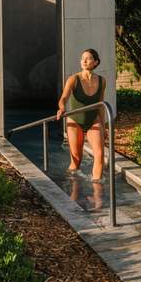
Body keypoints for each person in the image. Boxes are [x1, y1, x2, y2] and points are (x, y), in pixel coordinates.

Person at [56, 48, 106, 182]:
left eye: (88, 58)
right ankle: (72, 185)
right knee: (76, 159)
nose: (84, 61)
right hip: (74, 122)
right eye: (82, 58)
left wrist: (104, 124)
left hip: (93, 120)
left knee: (100, 154)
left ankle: (97, 189)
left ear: (96, 62)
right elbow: (64, 98)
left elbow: (100, 104)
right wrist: (61, 108)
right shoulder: (74, 79)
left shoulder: (102, 81)